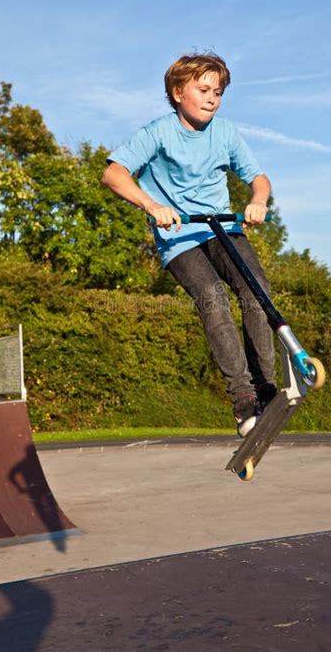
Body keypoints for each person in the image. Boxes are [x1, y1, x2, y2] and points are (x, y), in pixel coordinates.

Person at [102, 52, 277, 437]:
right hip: (179, 235)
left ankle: (266, 387)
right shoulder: (158, 132)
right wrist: (152, 205)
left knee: (256, 291)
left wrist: (257, 201)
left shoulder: (226, 132)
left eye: (218, 92)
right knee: (213, 296)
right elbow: (113, 173)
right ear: (178, 92)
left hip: (221, 227)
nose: (212, 98)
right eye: (203, 90)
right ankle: (243, 398)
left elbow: (259, 178)